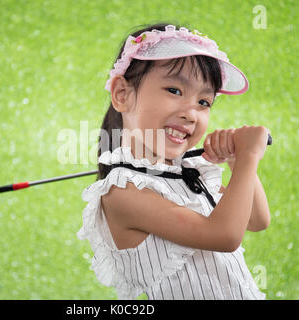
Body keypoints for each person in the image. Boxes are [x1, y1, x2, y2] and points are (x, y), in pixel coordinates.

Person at [77, 22, 270, 300]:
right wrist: (250, 157)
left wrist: (238, 162)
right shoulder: (123, 193)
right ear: (122, 94)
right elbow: (225, 236)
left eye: (204, 102)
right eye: (175, 91)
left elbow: (255, 219)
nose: (191, 114)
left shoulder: (189, 172)